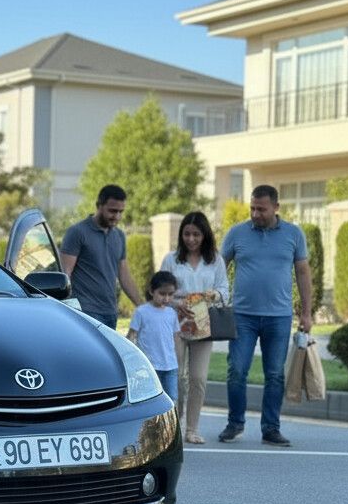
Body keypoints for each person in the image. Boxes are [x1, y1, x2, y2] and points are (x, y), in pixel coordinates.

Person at [219, 185, 312, 447]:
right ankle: (235, 423)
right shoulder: (237, 233)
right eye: (252, 208)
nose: (255, 214)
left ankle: (271, 428)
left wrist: (306, 313)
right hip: (242, 316)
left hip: (279, 317)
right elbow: (219, 268)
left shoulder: (294, 234)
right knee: (237, 370)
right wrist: (218, 299)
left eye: (261, 209)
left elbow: (303, 273)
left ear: (276, 207)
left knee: (275, 374)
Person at [160, 212, 229, 444]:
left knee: (198, 378)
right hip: (175, 324)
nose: (191, 239)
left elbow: (225, 291)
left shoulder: (215, 260)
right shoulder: (171, 259)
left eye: (196, 234)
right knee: (177, 375)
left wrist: (213, 295)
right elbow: (160, 291)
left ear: (205, 235)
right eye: (187, 234)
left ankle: (192, 428)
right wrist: (177, 301)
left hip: (203, 324)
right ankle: (174, 425)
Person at [60, 184, 142, 329]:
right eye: (112, 211)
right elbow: (64, 274)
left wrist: (143, 306)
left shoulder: (119, 236)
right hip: (85, 313)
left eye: (120, 212)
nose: (117, 216)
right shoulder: (77, 232)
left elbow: (124, 276)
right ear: (99, 205)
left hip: (110, 312)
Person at [127, 271, 180, 401]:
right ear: (151, 291)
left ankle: (171, 422)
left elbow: (176, 337)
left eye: (170, 294)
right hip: (149, 367)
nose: (166, 298)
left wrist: (179, 360)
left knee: (171, 399)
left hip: (170, 366)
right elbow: (131, 336)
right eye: (162, 294)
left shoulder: (171, 313)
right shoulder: (141, 312)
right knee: (150, 399)